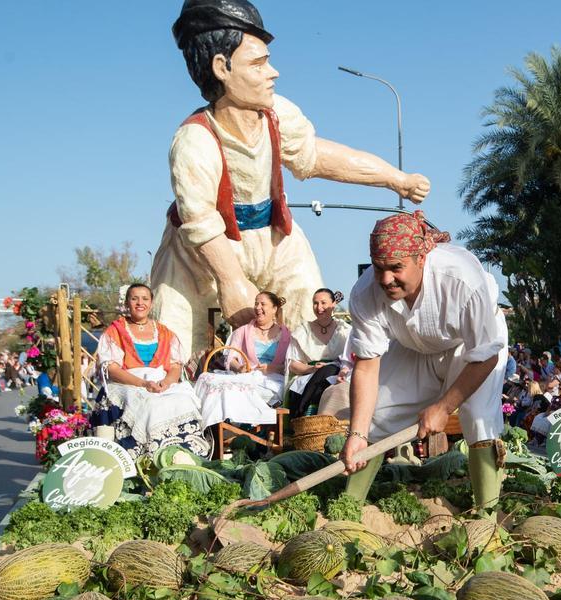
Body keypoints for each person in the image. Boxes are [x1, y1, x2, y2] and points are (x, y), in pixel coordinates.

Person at [151, 0, 431, 354]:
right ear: (221, 67)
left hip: (274, 237)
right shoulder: (194, 140)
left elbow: (319, 156)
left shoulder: (277, 115)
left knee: (312, 320)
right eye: (258, 64)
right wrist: (231, 280)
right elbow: (201, 222)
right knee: (174, 339)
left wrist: (395, 178)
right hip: (200, 253)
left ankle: (315, 385)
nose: (274, 73)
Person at [340, 212, 508, 515]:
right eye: (378, 268)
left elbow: (486, 356)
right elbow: (366, 367)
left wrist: (443, 407)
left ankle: (487, 514)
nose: (386, 279)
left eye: (396, 267)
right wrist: (356, 434)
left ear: (421, 258)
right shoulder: (364, 294)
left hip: (471, 348)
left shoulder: (462, 279)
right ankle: (347, 510)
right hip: (412, 346)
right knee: (377, 415)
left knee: (478, 417)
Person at [93, 284, 211, 458]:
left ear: (151, 303)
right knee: (149, 403)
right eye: (134, 299)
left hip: (160, 381)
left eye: (145, 299)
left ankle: (185, 454)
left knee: (184, 400)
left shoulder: (164, 332)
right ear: (127, 303)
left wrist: (166, 383)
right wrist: (143, 383)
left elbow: (175, 366)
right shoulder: (116, 331)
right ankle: (149, 455)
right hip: (128, 381)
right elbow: (112, 369)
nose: (140, 303)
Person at [195, 290, 289, 429]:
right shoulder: (242, 331)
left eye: (263, 304)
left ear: (274, 309)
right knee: (216, 385)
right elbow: (230, 358)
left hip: (274, 379)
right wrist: (239, 368)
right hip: (246, 375)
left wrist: (273, 368)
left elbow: (292, 364)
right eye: (256, 304)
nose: (258, 307)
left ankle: (250, 426)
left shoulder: (286, 335)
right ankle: (221, 427)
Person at [286, 287, 352, 417]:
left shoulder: (345, 330)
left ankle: (303, 410)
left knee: (331, 370)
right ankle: (305, 413)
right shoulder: (303, 331)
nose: (319, 307)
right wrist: (312, 368)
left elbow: (351, 359)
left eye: (323, 303)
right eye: (315, 303)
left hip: (339, 374)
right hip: (308, 376)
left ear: (333, 304)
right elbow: (292, 364)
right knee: (326, 372)